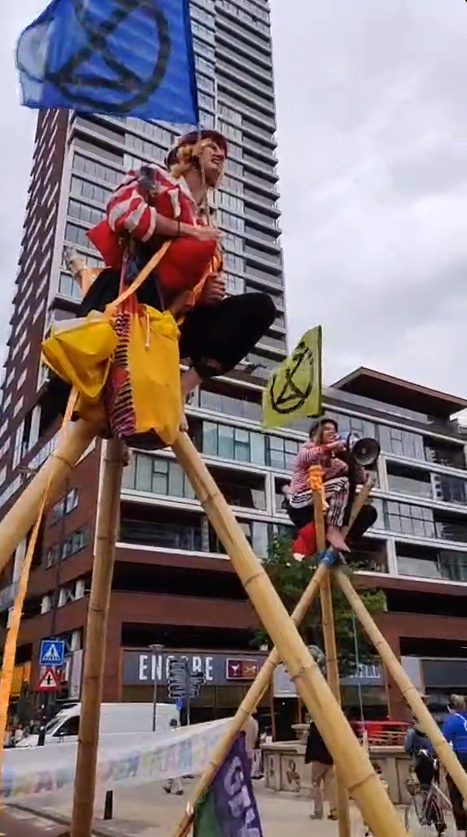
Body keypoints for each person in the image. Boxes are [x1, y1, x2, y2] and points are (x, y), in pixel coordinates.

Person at [46, 129, 276, 433]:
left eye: (224, 151)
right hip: (133, 303)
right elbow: (123, 212)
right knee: (128, 288)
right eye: (212, 147)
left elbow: (197, 284)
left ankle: (178, 391)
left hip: (174, 324)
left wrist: (205, 295)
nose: (221, 154)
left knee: (259, 308)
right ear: (187, 152)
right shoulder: (154, 179)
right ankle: (117, 400)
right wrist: (188, 231)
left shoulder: (209, 223)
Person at [286, 417, 369, 554]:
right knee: (342, 483)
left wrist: (356, 456)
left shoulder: (334, 462)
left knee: (345, 482)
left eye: (334, 430)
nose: (332, 432)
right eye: (327, 429)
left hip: (317, 497)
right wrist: (334, 446)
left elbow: (359, 479)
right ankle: (333, 529)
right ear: (316, 433)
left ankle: (333, 529)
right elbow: (308, 457)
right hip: (299, 498)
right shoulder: (308, 447)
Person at [440, 694, 467, 836]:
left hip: (460, 761)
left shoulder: (451, 722)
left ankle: (461, 829)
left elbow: (441, 741)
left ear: (450, 708)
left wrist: (430, 752)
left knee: (456, 794)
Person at [304, 719, 336, 821]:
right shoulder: (330, 727)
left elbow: (310, 745)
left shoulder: (313, 730)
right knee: (330, 786)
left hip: (317, 760)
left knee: (316, 785)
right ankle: (334, 810)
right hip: (329, 760)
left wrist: (308, 759)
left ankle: (318, 811)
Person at [163, 718, 184, 796]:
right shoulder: (179, 731)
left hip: (173, 754)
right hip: (176, 753)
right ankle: (168, 786)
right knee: (171, 771)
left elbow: (170, 743)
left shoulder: (172, 732)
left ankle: (180, 788)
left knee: (174, 772)